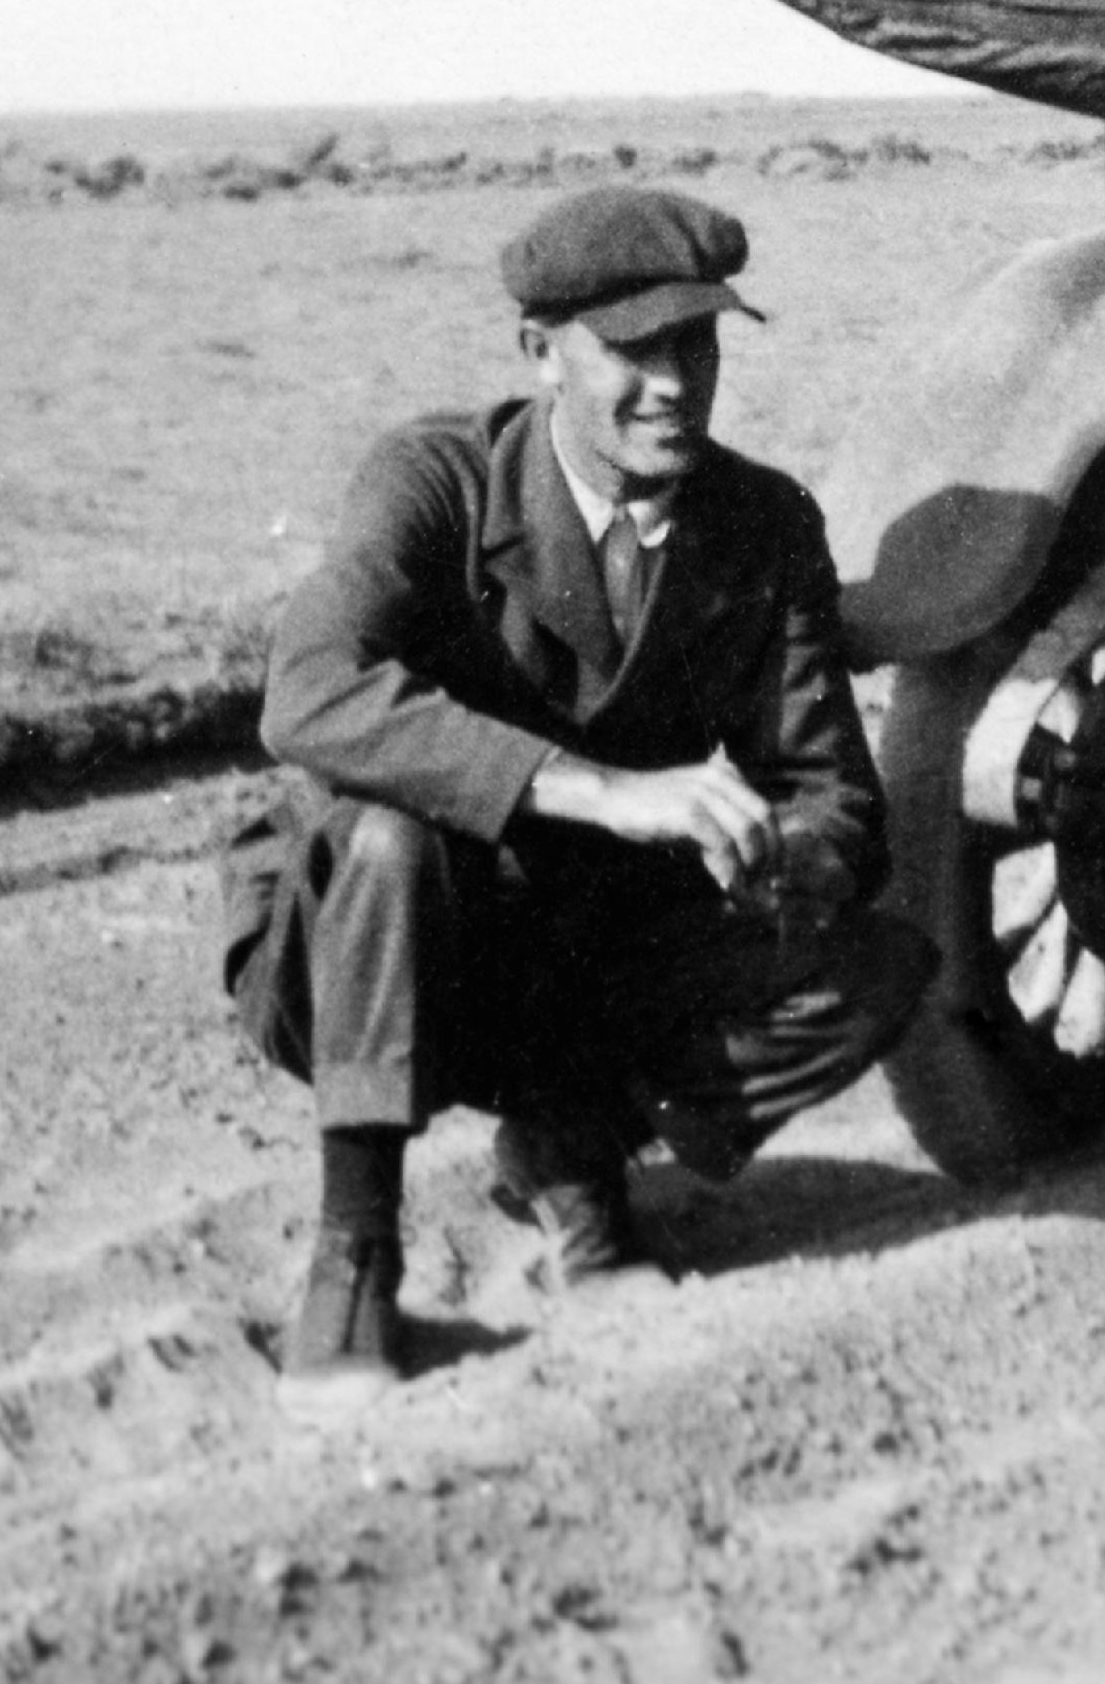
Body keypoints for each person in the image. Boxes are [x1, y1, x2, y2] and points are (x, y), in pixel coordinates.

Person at [220, 183, 936, 1415]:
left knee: (868, 970)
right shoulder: (436, 482)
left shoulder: (761, 525)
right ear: (541, 355)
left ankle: (571, 1152)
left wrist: (776, 852)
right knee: (388, 839)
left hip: (586, 957)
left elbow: (837, 801)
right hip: (382, 947)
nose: (673, 385)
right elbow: (309, 696)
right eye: (633, 351)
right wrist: (604, 793)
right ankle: (356, 1248)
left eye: (697, 344)